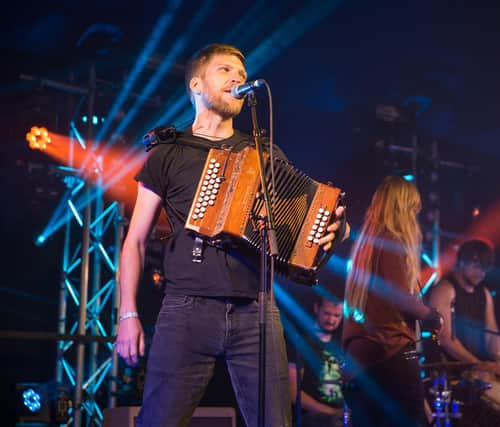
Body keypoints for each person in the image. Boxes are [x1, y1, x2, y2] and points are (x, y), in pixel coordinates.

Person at [115, 43, 348, 427]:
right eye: (225, 70)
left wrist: (334, 229)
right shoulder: (168, 152)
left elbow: (306, 218)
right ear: (196, 84)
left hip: (256, 308)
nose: (238, 78)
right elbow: (135, 241)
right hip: (186, 309)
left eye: (241, 72)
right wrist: (127, 313)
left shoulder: (262, 151)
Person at [342, 175, 442, 427]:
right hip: (391, 353)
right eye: (413, 210)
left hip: (360, 360)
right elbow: (400, 297)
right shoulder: (390, 241)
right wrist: (432, 315)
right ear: (403, 210)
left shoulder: (366, 245)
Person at [425, 239, 500, 426]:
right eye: (476, 265)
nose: (481, 272)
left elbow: (492, 333)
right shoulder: (445, 289)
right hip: (449, 372)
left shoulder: (485, 294)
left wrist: (498, 364)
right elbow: (444, 337)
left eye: (485, 267)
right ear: (461, 261)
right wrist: (479, 364)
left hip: (477, 371)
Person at [286, 294, 345, 427]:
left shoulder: (342, 345)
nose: (331, 320)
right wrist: (332, 412)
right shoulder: (301, 342)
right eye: (327, 314)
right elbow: (292, 391)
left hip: (340, 415)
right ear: (316, 308)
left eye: (337, 316)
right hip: (312, 416)